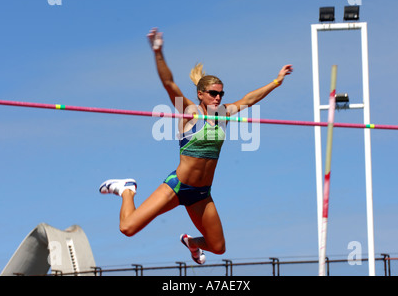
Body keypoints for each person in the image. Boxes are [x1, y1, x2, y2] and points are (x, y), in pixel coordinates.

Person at [99, 27, 293, 264]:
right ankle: (127, 189)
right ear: (201, 94)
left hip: (202, 194)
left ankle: (190, 243)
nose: (218, 98)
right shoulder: (189, 112)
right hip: (178, 186)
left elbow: (249, 99)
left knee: (218, 247)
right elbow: (169, 83)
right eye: (213, 93)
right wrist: (158, 51)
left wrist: (276, 81)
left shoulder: (224, 114)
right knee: (127, 228)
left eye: (221, 94)